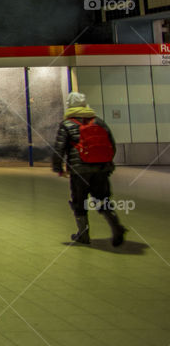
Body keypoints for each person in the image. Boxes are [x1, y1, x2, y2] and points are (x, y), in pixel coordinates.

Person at [52, 92, 126, 246]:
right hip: (101, 169)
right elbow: (111, 145)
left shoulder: (67, 124)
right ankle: (116, 226)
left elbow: (59, 149)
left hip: (79, 171)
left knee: (79, 202)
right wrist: (106, 164)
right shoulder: (99, 122)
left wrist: (58, 168)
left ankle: (83, 235)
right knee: (103, 200)